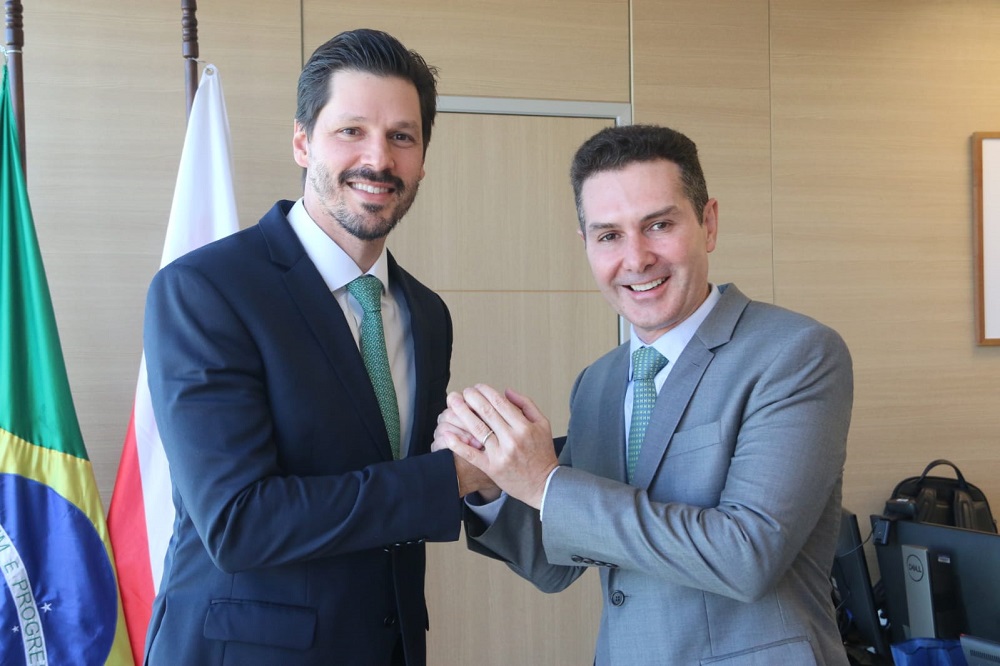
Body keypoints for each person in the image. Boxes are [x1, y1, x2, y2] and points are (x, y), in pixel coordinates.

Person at [434, 124, 854, 665]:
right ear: (586, 245)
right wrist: (495, 481)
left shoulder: (795, 353)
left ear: (708, 223)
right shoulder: (598, 382)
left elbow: (747, 556)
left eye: (658, 225)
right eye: (609, 235)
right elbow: (557, 562)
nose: (635, 259)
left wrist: (544, 482)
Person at [143, 29, 487, 666]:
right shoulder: (206, 290)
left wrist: (498, 466)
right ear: (302, 142)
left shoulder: (427, 314)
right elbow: (239, 522)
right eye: (351, 131)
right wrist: (451, 476)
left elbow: (405, 488)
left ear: (422, 159)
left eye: (402, 137)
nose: (378, 159)